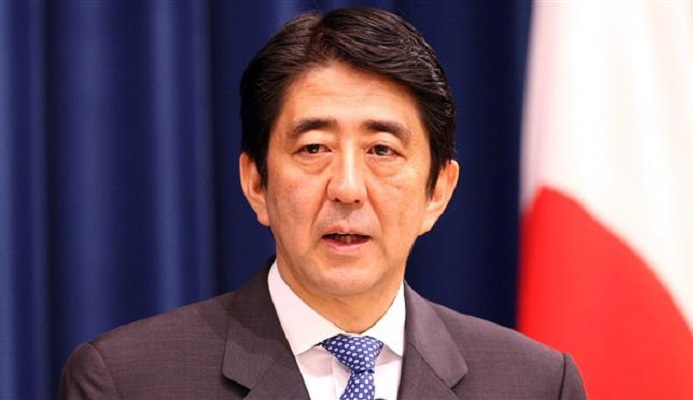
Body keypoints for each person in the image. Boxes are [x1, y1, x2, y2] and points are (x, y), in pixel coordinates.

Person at [59, 8, 586, 399]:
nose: (347, 187)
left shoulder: (536, 384)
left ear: (438, 192)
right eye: (314, 148)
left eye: (382, 150)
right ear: (256, 183)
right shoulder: (127, 381)